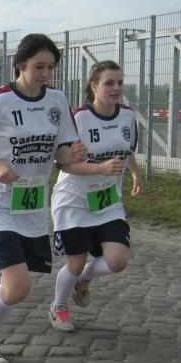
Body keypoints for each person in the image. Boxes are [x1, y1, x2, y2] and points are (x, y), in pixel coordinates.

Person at [0, 34, 87, 363]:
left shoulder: (57, 101)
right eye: (39, 66)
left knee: (11, 286)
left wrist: (73, 154)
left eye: (51, 67)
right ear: (20, 65)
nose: (45, 74)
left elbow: (61, 151)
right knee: (18, 287)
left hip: (31, 205)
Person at [49, 60, 142, 331]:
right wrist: (100, 168)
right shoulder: (78, 119)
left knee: (118, 260)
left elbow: (126, 150)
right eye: (109, 83)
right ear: (94, 86)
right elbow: (64, 165)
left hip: (108, 201)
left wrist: (135, 173)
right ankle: (58, 307)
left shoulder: (127, 116)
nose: (116, 88)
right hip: (74, 201)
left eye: (120, 83)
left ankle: (82, 280)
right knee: (76, 262)